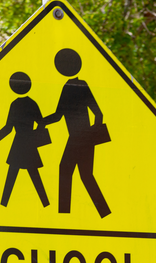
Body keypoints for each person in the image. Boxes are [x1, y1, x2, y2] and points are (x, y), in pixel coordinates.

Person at [42, 48, 111, 218]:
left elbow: (98, 113)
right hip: (79, 138)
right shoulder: (71, 86)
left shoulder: (78, 86)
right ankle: (104, 212)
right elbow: (59, 115)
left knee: (66, 170)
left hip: (80, 138)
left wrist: (91, 136)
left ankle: (63, 215)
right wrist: (42, 121)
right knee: (85, 175)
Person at [0, 71, 50, 208]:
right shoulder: (32, 103)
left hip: (19, 143)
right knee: (32, 174)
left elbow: (8, 127)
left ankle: (4, 204)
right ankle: (46, 203)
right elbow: (41, 122)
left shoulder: (15, 104)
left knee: (14, 174)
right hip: (29, 142)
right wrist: (37, 135)